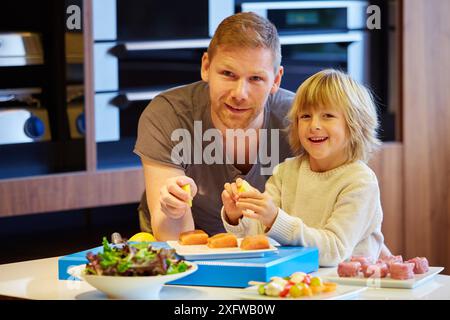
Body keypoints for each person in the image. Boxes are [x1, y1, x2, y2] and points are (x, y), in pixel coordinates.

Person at [134, 12, 295, 240]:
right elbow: (174, 239)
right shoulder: (168, 114)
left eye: (256, 79)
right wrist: (174, 208)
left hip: (271, 246)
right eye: (228, 74)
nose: (240, 94)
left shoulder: (300, 120)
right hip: (182, 245)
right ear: (206, 67)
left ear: (276, 80)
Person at [221, 69, 386, 266]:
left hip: (348, 287)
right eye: (305, 116)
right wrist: (237, 216)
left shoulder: (360, 181)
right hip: (295, 280)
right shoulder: (285, 172)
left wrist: (275, 219)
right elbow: (261, 237)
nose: (314, 125)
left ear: (355, 124)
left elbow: (335, 250)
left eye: (327, 115)